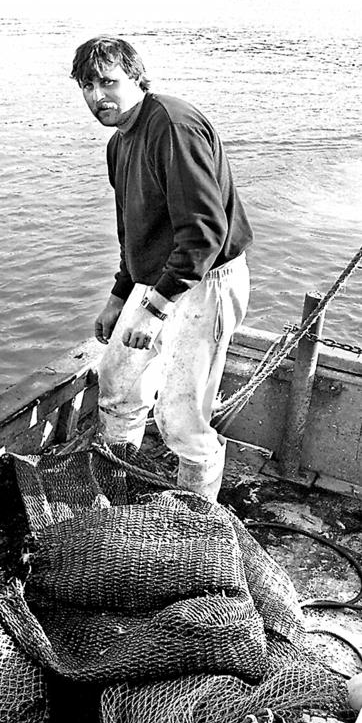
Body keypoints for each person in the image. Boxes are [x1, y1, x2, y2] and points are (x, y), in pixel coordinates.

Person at [71, 36, 253, 501]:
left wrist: (154, 310)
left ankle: (196, 522)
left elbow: (205, 232)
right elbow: (133, 229)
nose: (97, 96)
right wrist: (120, 294)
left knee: (182, 416)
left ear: (136, 77)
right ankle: (119, 489)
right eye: (87, 85)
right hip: (158, 279)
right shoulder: (120, 143)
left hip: (205, 279)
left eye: (108, 82)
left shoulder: (172, 126)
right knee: (117, 383)